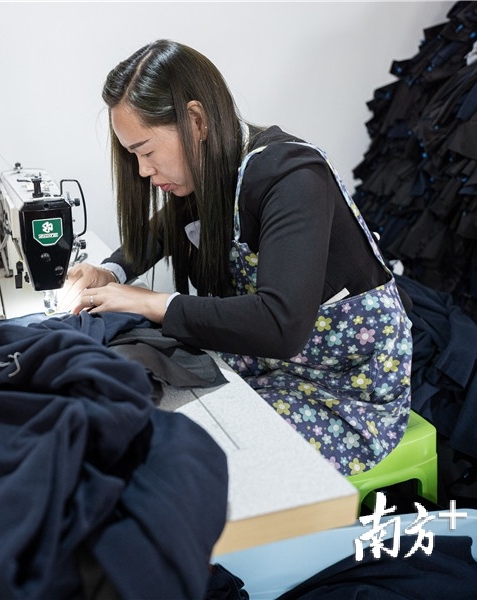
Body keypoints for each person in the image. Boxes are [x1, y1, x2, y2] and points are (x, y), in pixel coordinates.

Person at [61, 39, 412, 476]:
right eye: (134, 156)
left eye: (147, 152)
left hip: (344, 388)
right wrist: (111, 270)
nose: (143, 171)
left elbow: (280, 325)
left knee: (185, 457)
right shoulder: (212, 169)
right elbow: (164, 229)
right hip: (273, 363)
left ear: (195, 121)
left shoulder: (293, 175)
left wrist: (148, 301)